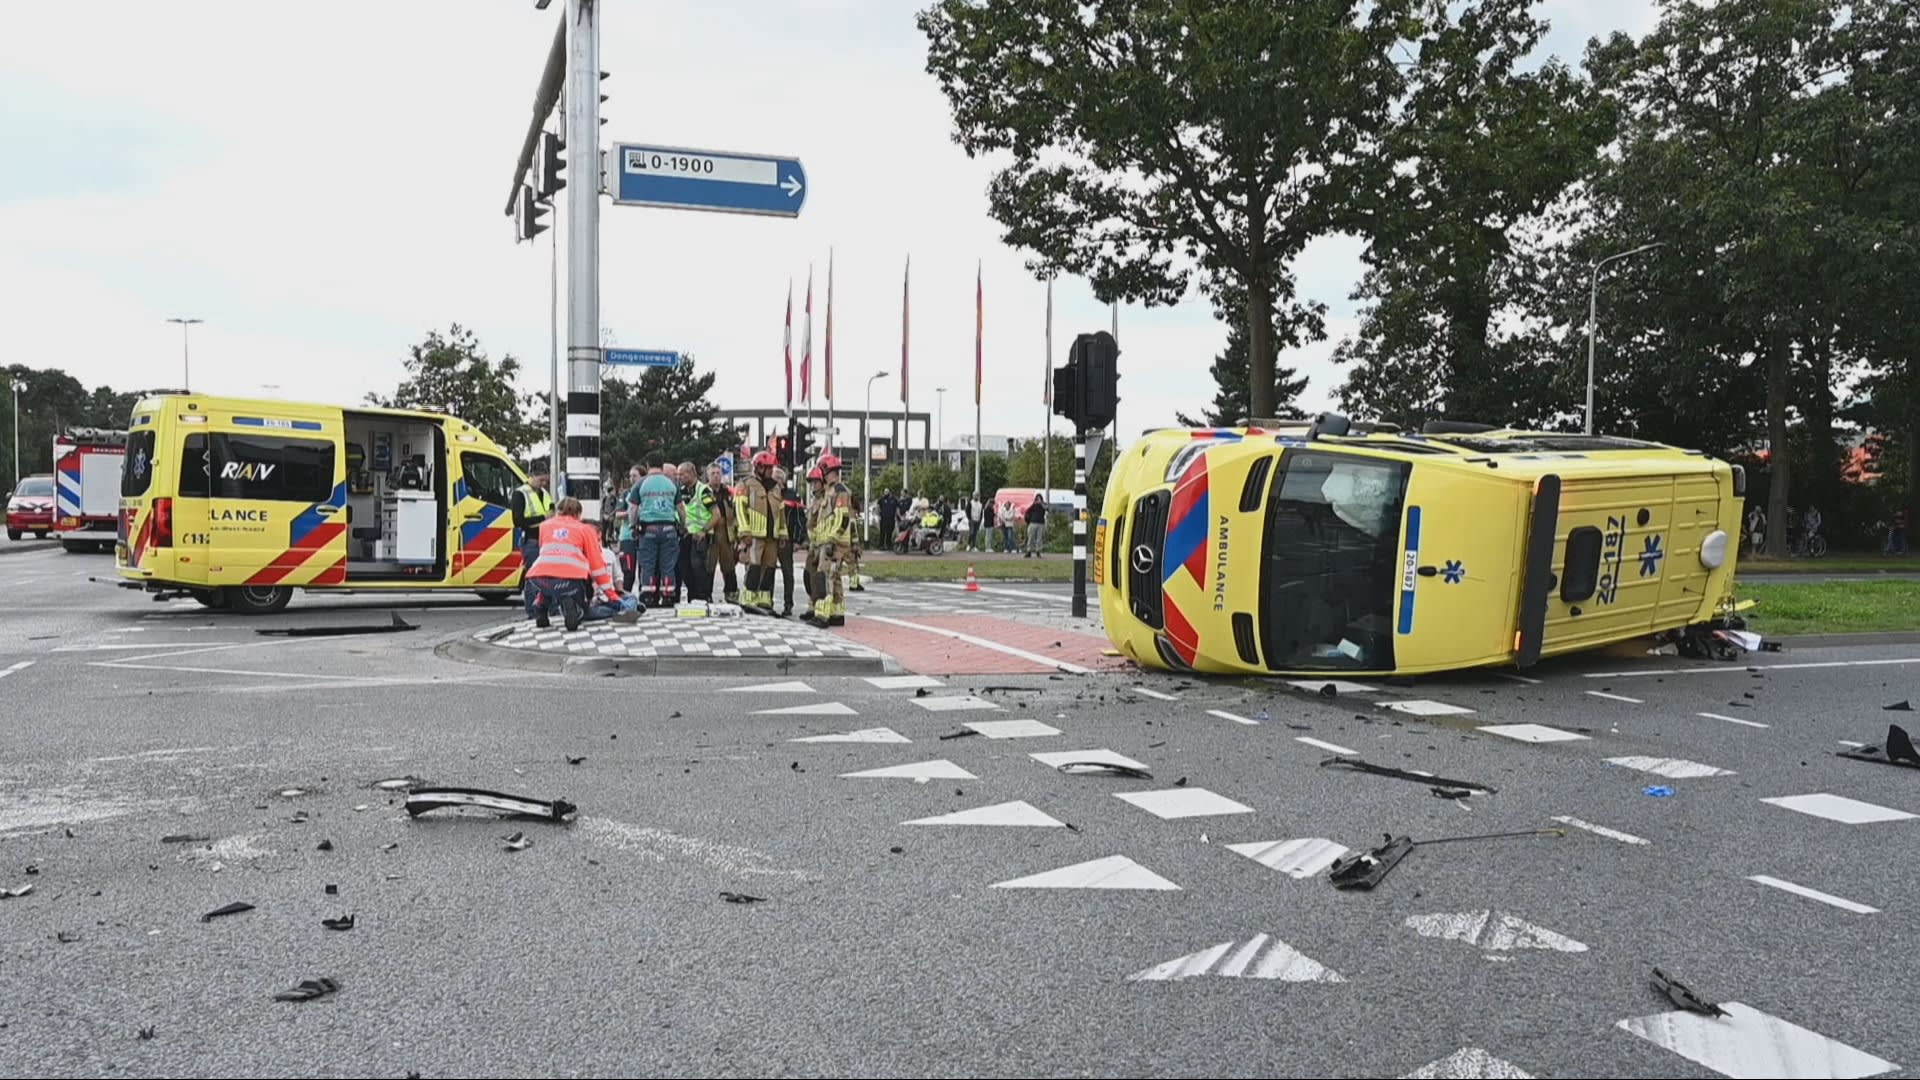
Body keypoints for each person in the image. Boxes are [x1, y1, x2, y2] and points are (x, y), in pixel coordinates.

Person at [524, 497, 606, 632]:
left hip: (538, 578)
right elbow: (595, 563)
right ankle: (574, 607)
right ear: (578, 513)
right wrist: (611, 595)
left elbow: (542, 549)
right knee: (574, 587)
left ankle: (540, 608)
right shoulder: (584, 529)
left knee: (547, 586)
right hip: (570, 580)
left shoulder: (544, 526)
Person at [736, 450, 788, 616]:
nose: (771, 471)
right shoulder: (745, 484)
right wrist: (745, 532)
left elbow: (781, 512)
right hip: (754, 535)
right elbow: (740, 509)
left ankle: (765, 600)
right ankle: (749, 598)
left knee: (770, 568)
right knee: (754, 566)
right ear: (759, 468)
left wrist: (782, 534)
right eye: (768, 468)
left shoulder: (775, 487)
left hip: (772, 536)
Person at [630, 454, 684, 607]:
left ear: (647, 466)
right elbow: (680, 508)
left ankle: (648, 597)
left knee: (648, 564)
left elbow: (633, 509)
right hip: (669, 528)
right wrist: (682, 525)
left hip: (648, 529)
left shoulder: (641, 484)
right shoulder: (671, 484)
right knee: (668, 565)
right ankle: (668, 596)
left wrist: (633, 525)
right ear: (661, 466)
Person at [808, 454, 856, 627]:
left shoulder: (839, 490)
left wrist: (831, 540)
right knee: (834, 579)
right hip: (828, 541)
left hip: (834, 542)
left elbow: (842, 519)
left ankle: (822, 616)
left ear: (826, 470)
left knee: (825, 576)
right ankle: (837, 613)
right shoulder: (830, 491)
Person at [511, 468, 554, 618]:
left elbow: (552, 511)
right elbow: (518, 520)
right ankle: (532, 611)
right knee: (533, 576)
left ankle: (546, 608)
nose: (543, 484)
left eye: (545, 481)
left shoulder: (544, 493)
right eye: (540, 480)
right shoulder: (520, 494)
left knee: (547, 576)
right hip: (531, 540)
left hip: (546, 540)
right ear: (531, 476)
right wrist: (543, 518)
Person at [678, 461, 713, 602]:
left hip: (699, 536)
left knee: (697, 568)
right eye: (679, 474)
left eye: (683, 474)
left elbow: (716, 514)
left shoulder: (703, 491)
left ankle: (702, 598)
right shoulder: (681, 491)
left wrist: (704, 530)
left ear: (692, 473)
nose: (680, 477)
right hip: (686, 535)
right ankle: (692, 598)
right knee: (685, 569)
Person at [705, 462, 741, 602]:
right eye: (712, 473)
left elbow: (736, 512)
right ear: (707, 476)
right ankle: (706, 594)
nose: (716, 476)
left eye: (718, 473)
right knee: (709, 565)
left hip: (726, 531)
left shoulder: (728, 492)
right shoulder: (704, 492)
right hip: (711, 533)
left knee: (729, 565)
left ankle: (731, 592)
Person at [802, 465, 828, 619]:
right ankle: (812, 605)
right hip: (813, 545)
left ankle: (819, 608)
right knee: (808, 575)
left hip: (823, 544)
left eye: (816, 482)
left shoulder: (826, 500)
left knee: (820, 578)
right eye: (812, 482)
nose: (813, 485)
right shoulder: (814, 501)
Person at [612, 464, 642, 592]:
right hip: (627, 536)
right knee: (628, 570)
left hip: (643, 535)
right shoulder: (626, 494)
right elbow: (618, 514)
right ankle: (626, 595)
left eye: (635, 476)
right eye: (630, 476)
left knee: (644, 570)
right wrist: (631, 512)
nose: (632, 479)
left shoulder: (646, 492)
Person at [1024, 493, 1047, 558]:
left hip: (1041, 523)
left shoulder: (1043, 504)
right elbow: (1027, 511)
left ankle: (1038, 551)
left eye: (1039, 498)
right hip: (1033, 522)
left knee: (1039, 538)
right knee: (1031, 537)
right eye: (1037, 498)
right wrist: (1028, 520)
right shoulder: (1033, 505)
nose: (1038, 500)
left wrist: (1041, 503)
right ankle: (1029, 551)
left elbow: (1046, 508)